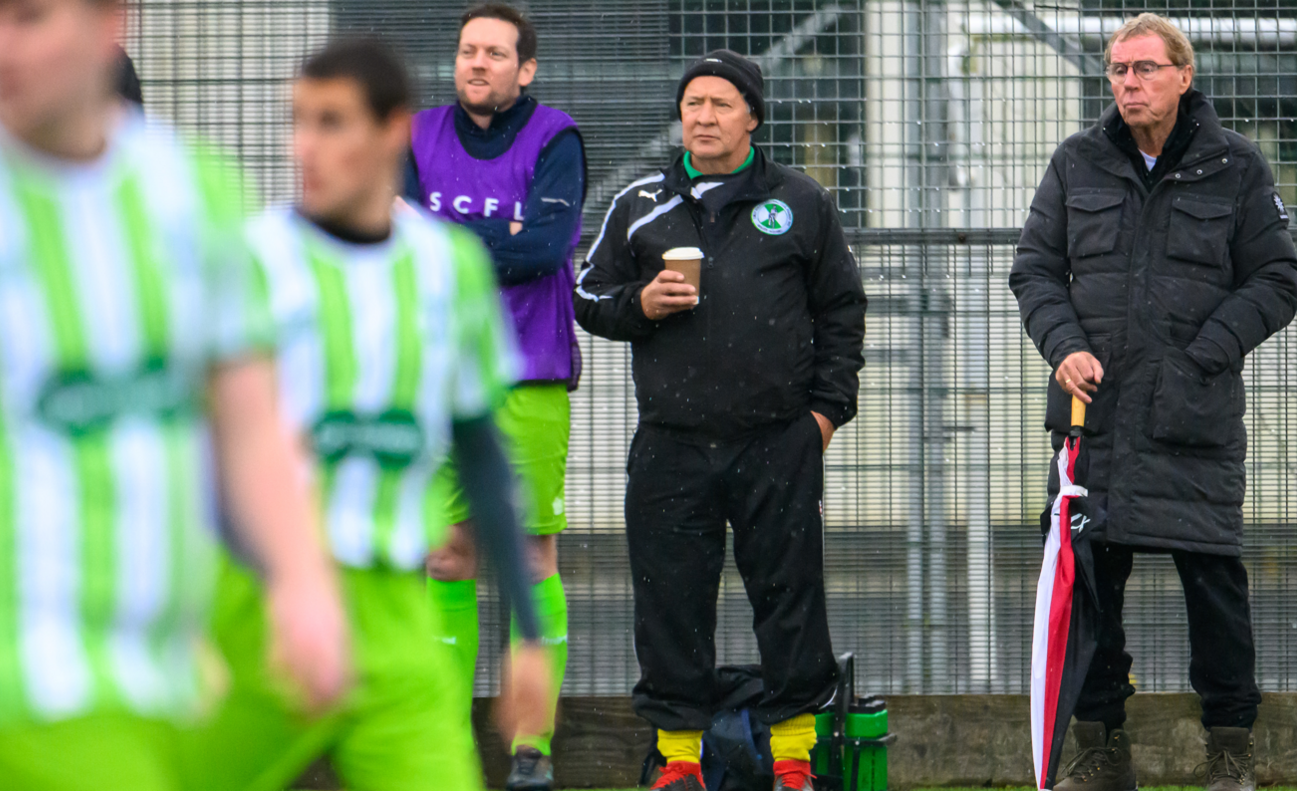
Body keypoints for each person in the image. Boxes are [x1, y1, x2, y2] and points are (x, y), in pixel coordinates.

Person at [0, 0, 350, 789]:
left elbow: (251, 425)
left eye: (28, 17)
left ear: (110, 20)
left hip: (162, 678)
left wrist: (302, 581)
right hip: (10, 678)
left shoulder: (195, 194)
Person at [178, 38, 551, 791]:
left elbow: (483, 451)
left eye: (332, 123)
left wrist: (533, 639)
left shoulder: (450, 267)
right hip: (257, 601)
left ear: (392, 132)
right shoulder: (251, 260)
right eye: (298, 122)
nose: (305, 146)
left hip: (390, 612)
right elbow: (188, 446)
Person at [1010, 13, 1297, 791]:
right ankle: (1102, 753)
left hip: (1191, 419)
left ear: (1182, 75)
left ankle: (1230, 753)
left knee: (1214, 591)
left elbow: (1277, 280)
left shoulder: (1235, 166)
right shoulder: (1076, 163)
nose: (1127, 83)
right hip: (1092, 423)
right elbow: (1034, 268)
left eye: (1143, 68)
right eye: (1116, 70)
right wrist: (1063, 343)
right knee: (1091, 594)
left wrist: (1201, 356)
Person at [574, 49, 866, 791]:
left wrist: (823, 417)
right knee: (671, 601)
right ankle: (678, 760)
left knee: (790, 598)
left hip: (779, 441)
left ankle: (796, 756)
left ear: (754, 117)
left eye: (720, 104)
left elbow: (841, 310)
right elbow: (585, 294)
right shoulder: (640, 202)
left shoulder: (800, 200)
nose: (702, 116)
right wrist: (640, 304)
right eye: (692, 103)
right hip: (671, 445)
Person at [404, 5, 585, 789]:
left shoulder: (557, 138)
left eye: (495, 53)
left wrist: (446, 247)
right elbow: (393, 237)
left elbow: (547, 244)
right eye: (467, 51)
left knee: (530, 557)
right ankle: (443, 746)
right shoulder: (414, 136)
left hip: (528, 373)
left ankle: (530, 747)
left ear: (526, 69)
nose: (477, 63)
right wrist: (497, 242)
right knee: (445, 553)